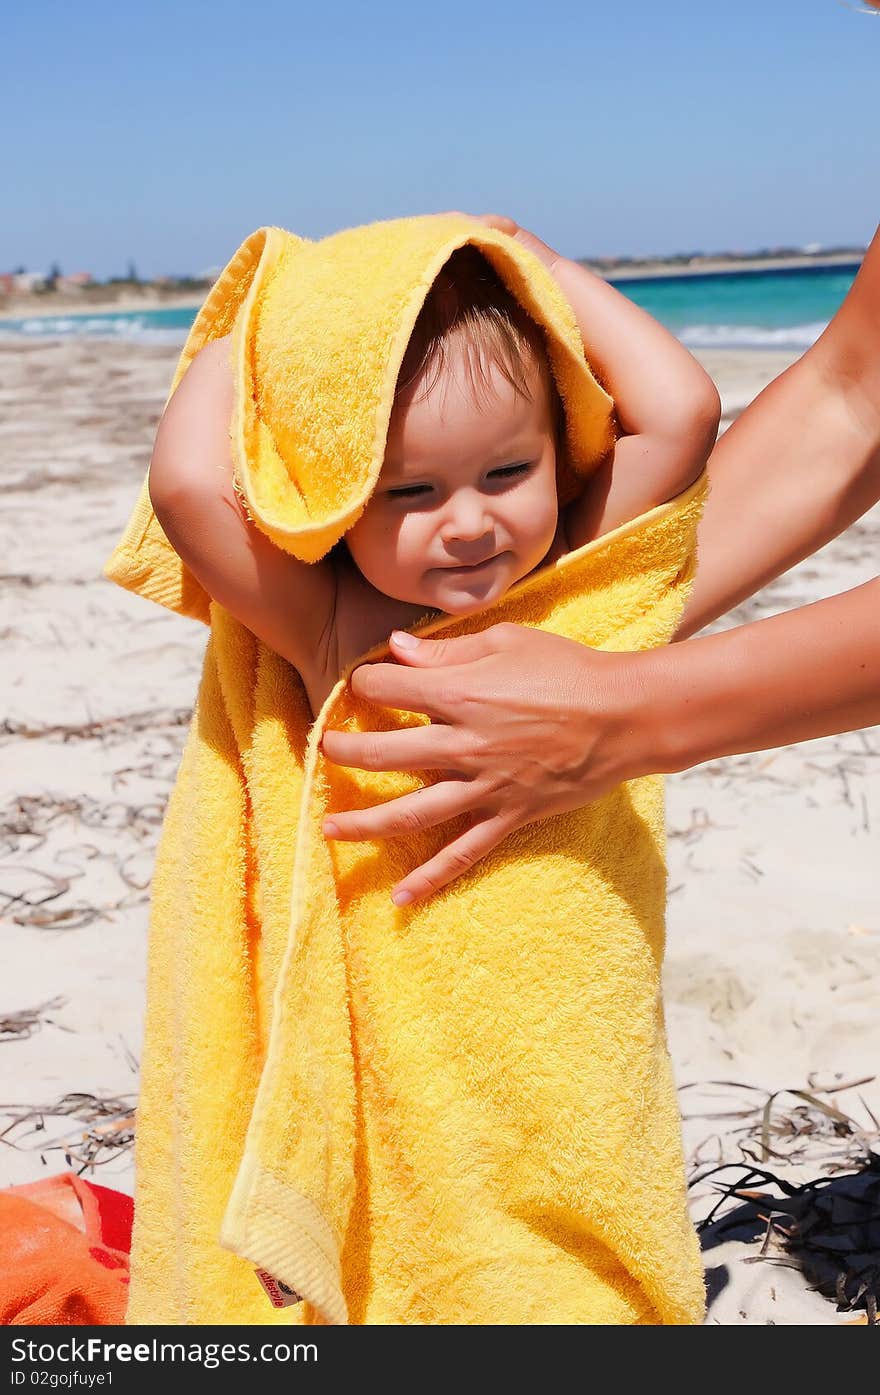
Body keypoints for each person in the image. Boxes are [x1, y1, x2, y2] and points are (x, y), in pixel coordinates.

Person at [317, 216, 880, 907]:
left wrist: (621, 710)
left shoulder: (573, 559)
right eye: (409, 491)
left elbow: (685, 410)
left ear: (560, 457)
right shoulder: (329, 619)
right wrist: (255, 313)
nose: (468, 524)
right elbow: (856, 392)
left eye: (507, 472)